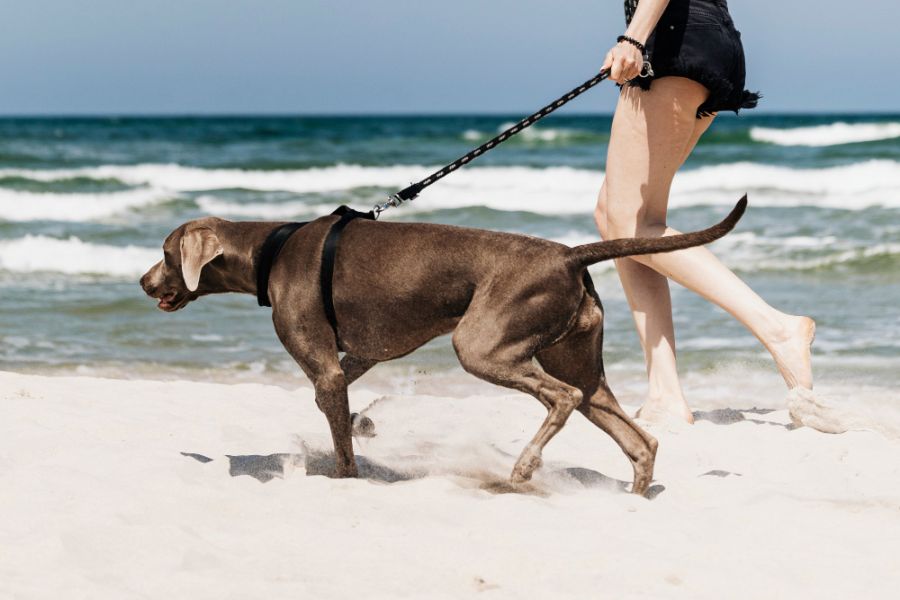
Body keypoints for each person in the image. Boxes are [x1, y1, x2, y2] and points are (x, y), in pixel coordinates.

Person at [596, 0, 815, 424]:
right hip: (702, 39)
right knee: (617, 216)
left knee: (631, 223)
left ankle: (778, 328)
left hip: (675, 40)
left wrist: (633, 36)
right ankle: (664, 393)